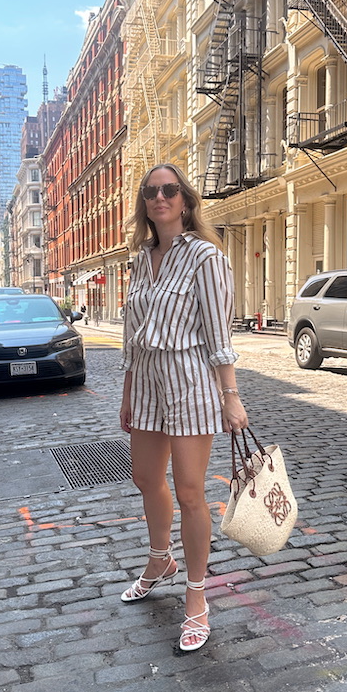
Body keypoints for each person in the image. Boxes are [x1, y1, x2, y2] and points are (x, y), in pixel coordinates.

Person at [119, 163, 248, 652]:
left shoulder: (205, 257)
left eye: (169, 189)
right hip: (148, 381)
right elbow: (132, 338)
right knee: (146, 479)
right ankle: (160, 560)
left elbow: (219, 335)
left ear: (185, 199)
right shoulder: (140, 259)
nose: (160, 197)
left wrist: (230, 396)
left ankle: (197, 598)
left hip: (191, 381)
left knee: (191, 492)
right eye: (151, 191)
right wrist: (129, 392)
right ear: (144, 204)